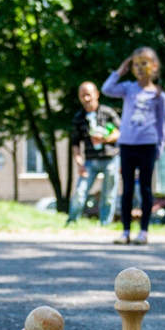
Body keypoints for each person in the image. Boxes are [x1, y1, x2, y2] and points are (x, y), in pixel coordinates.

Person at [102, 47, 165, 245]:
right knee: (127, 188)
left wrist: (160, 147)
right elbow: (106, 89)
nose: (139, 68)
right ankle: (126, 230)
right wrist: (119, 71)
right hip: (127, 145)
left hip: (148, 145)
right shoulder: (128, 88)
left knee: (146, 189)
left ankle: (144, 230)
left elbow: (161, 123)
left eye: (144, 63)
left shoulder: (158, 95)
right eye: (136, 64)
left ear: (154, 67)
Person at [66, 82, 121, 226]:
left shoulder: (108, 113)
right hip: (90, 161)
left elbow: (120, 133)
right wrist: (79, 163)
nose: (86, 98)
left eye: (88, 94)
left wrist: (104, 139)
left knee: (108, 194)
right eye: (83, 95)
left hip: (110, 158)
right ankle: (72, 222)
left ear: (96, 94)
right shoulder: (79, 118)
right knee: (80, 191)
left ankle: (105, 223)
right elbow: (75, 144)